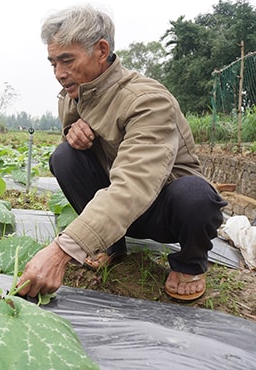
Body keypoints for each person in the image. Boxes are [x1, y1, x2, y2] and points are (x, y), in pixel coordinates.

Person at [17, 4, 226, 302]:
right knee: (64, 157)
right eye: (53, 63)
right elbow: (81, 149)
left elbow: (135, 183)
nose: (59, 74)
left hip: (162, 209)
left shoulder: (147, 100)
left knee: (196, 195)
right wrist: (72, 134)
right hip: (118, 208)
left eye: (67, 60)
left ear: (101, 50)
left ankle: (190, 263)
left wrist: (62, 250)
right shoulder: (73, 94)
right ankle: (112, 245)